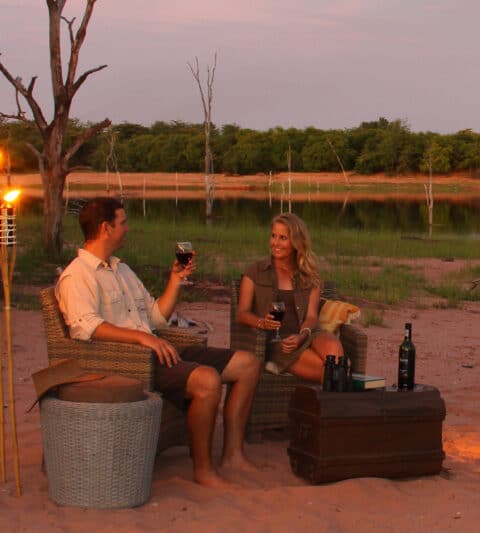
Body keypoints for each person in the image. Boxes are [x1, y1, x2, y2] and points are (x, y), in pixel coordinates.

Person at [55, 197, 260, 488]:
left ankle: (233, 455)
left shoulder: (122, 270)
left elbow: (156, 317)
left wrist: (175, 280)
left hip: (156, 347)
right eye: (123, 222)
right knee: (207, 380)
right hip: (131, 360)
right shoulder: (77, 276)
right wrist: (142, 337)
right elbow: (86, 327)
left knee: (248, 365)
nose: (127, 228)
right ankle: (204, 470)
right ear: (105, 228)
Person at [236, 213, 343, 381]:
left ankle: (336, 397)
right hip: (280, 342)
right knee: (332, 372)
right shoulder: (255, 272)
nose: (275, 243)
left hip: (306, 335)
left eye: (283, 238)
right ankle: (339, 400)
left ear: (295, 242)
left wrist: (302, 336)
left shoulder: (309, 277)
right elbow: (241, 313)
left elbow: (311, 317)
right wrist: (262, 323)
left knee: (334, 348)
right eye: (273, 236)